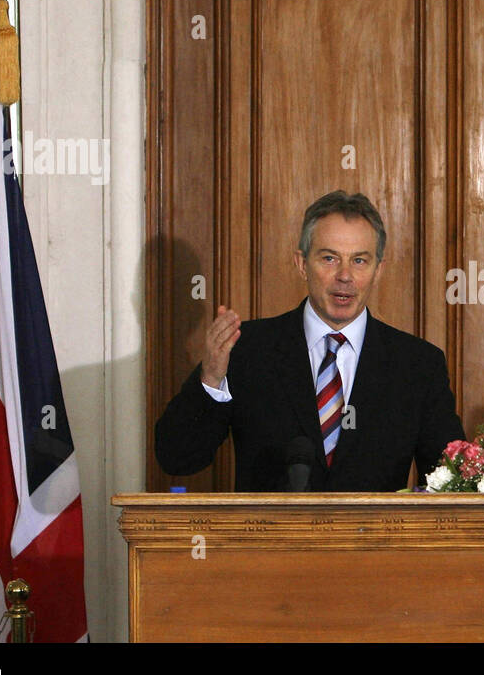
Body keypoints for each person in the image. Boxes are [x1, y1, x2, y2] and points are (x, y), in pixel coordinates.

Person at [155, 191, 465, 491]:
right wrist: (210, 379)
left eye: (359, 261)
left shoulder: (417, 365)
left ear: (378, 270)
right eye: (329, 258)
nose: (345, 276)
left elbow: (451, 486)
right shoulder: (248, 350)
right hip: (270, 541)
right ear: (302, 263)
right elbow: (177, 458)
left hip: (373, 543)